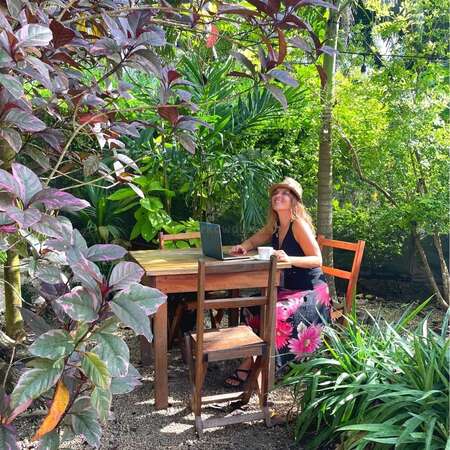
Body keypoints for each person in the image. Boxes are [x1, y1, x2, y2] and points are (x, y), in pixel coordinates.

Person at [225, 177, 331, 387]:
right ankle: (255, 358)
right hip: (287, 289)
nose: (278, 196)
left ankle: (257, 366)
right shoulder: (274, 226)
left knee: (275, 312)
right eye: (276, 193)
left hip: (310, 291)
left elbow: (317, 259)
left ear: (294, 201)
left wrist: (288, 259)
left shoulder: (297, 225)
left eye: (285, 193)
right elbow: (255, 240)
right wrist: (243, 247)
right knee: (253, 305)